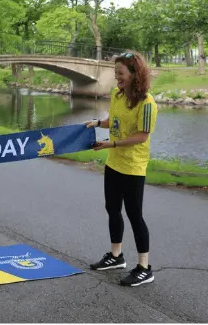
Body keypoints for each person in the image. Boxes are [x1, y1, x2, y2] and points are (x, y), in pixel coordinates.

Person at [84, 51, 157, 287]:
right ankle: (116, 256)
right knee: (112, 209)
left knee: (135, 216)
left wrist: (111, 143)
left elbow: (142, 136)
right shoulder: (117, 95)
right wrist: (97, 123)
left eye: (121, 73)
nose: (117, 78)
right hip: (114, 163)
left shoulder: (147, 103)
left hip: (133, 167)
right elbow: (113, 121)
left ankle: (144, 268)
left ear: (135, 74)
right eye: (115, 73)